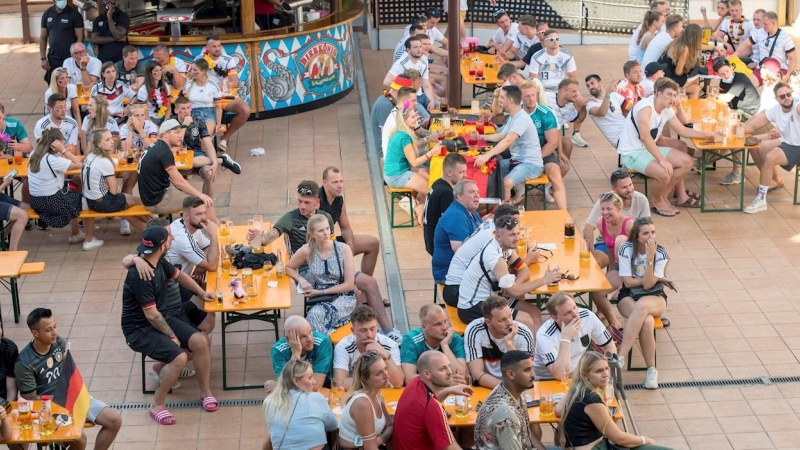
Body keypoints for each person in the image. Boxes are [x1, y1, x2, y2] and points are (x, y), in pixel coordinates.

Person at [252, 181, 398, 335]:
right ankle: (363, 328)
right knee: (353, 290)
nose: (302, 206)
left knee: (370, 282)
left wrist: (346, 255)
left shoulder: (325, 217)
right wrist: (257, 238)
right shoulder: (290, 219)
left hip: (330, 263)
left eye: (307, 203)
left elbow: (332, 246)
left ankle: (389, 331)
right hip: (306, 269)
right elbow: (267, 239)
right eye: (300, 201)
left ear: (316, 203)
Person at [121, 226, 218, 425]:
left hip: (162, 316)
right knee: (179, 356)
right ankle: (157, 405)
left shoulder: (158, 261)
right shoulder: (141, 275)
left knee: (201, 341)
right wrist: (172, 336)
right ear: (162, 245)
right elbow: (151, 314)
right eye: (169, 239)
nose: (172, 239)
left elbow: (180, 276)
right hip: (139, 329)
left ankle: (205, 392)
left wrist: (201, 293)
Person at [16, 308, 122, 448]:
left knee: (114, 420)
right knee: (79, 438)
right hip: (49, 407)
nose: (55, 333)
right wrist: (58, 399)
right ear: (35, 333)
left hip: (72, 395)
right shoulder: (25, 362)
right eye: (48, 330)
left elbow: (65, 363)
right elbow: (30, 399)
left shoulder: (58, 342)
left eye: (55, 326)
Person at [617, 78, 713, 216]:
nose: (672, 98)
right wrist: (661, 159)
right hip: (632, 152)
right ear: (657, 93)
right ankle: (656, 200)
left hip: (648, 148)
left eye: (674, 95)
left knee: (687, 162)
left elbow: (683, 130)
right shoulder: (646, 108)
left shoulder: (667, 110)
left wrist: (708, 135)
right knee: (664, 171)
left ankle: (663, 195)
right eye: (669, 94)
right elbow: (645, 137)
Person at [555, 351, 672, 450]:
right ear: (584, 375)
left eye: (606, 369)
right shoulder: (591, 399)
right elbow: (619, 438)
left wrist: (575, 383)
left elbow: (559, 410)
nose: (605, 374)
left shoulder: (577, 390)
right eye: (599, 371)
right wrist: (644, 439)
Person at [457, 215, 555, 331]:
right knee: (526, 320)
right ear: (498, 236)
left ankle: (537, 348)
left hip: (492, 298)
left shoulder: (507, 247)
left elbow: (524, 271)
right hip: (473, 306)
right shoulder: (495, 257)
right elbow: (514, 291)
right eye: (512, 235)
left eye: (517, 233)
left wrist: (514, 285)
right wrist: (544, 280)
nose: (517, 238)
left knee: (534, 312)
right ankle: (524, 348)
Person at [615, 216, 668, 389]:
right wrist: (657, 278)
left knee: (643, 306)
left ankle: (620, 358)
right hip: (629, 295)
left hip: (655, 297)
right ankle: (652, 370)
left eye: (653, 232)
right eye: (645, 233)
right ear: (636, 236)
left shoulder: (661, 254)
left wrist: (650, 258)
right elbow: (628, 283)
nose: (650, 237)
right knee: (646, 321)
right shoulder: (626, 249)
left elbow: (648, 285)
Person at [286, 214, 358, 335]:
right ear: (312, 234)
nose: (326, 233)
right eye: (321, 230)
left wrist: (321, 292)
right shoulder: (307, 250)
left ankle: (321, 346)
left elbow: (349, 284)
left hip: (343, 296)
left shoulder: (343, 249)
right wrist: (302, 280)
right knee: (316, 316)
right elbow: (288, 267)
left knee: (315, 316)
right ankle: (325, 346)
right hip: (319, 297)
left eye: (327, 228)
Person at [443, 205, 526, 307]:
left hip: (462, 284)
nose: (515, 225)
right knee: (516, 296)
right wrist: (528, 259)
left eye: (517, 221)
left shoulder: (491, 224)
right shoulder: (493, 236)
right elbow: (508, 267)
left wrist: (514, 284)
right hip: (458, 289)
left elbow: (515, 263)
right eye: (511, 221)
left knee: (517, 294)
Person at [473, 85, 544, 204]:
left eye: (502, 97)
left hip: (531, 164)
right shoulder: (514, 116)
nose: (500, 100)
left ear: (510, 100)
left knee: (507, 182)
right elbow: (501, 136)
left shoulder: (521, 119)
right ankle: (494, 204)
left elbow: (507, 141)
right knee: (491, 169)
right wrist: (481, 137)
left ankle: (507, 214)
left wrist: (486, 156)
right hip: (517, 161)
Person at [393, 350, 472, 450]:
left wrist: (450, 390)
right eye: (442, 369)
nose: (450, 372)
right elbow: (450, 448)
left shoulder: (414, 383)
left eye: (448, 366)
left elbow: (427, 404)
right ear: (427, 374)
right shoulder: (432, 407)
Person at [137, 119, 215, 219]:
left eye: (180, 132)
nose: (180, 135)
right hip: (158, 202)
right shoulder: (164, 152)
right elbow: (179, 182)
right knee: (205, 203)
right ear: (166, 134)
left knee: (190, 195)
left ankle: (192, 230)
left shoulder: (155, 146)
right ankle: (217, 232)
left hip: (153, 197)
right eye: (176, 132)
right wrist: (200, 195)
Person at [474, 351, 553, 450]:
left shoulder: (512, 391)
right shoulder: (506, 416)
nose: (533, 374)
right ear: (511, 374)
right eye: (527, 370)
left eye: (532, 368)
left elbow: (526, 433)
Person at [742, 82, 800, 214]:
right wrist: (738, 127)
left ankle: (762, 197)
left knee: (769, 156)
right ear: (777, 99)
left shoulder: (797, 104)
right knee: (764, 153)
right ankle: (762, 198)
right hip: (789, 144)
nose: (787, 98)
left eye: (788, 94)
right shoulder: (775, 110)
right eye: (782, 96)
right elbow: (752, 127)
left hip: (797, 146)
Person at [533, 293, 617, 381]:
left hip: (578, 374)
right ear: (555, 318)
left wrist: (608, 376)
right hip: (548, 380)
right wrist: (566, 338)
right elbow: (560, 375)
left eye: (574, 307)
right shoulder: (545, 335)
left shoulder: (587, 316)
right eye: (568, 313)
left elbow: (609, 346)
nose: (576, 314)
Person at [82, 128, 146, 236]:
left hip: (90, 201)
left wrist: (105, 184)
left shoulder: (89, 156)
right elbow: (114, 191)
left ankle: (154, 227)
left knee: (129, 211)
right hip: (104, 202)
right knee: (140, 202)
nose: (112, 141)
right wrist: (110, 185)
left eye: (111, 138)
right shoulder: (104, 161)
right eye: (107, 140)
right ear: (99, 144)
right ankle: (157, 229)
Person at [173, 97, 241, 198]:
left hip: (197, 154)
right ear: (176, 110)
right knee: (190, 161)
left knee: (209, 174)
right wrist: (185, 126)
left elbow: (208, 144)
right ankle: (222, 160)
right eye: (182, 109)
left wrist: (213, 163)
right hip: (177, 155)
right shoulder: (170, 123)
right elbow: (177, 144)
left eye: (188, 108)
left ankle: (207, 205)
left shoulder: (198, 121)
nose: (186, 111)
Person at [263, 359, 338, 449]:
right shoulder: (316, 398)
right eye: (310, 377)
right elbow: (333, 426)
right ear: (296, 381)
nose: (314, 382)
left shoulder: (270, 401)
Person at [320, 166, 382, 277]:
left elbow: (345, 228)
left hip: (333, 241)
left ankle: (365, 282)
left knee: (373, 243)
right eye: (335, 182)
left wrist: (350, 243)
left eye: (341, 181)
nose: (340, 186)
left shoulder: (339, 200)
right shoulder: (316, 201)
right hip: (320, 247)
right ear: (325, 183)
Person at [583, 169, 651, 268]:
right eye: (624, 187)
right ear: (614, 189)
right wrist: (591, 254)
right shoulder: (606, 201)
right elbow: (588, 228)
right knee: (594, 266)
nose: (630, 189)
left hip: (631, 244)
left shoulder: (641, 200)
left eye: (630, 184)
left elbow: (647, 230)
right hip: (606, 244)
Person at [27, 128, 85, 243]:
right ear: (55, 144)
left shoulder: (33, 154)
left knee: (71, 193)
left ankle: (76, 232)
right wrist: (63, 150)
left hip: (35, 200)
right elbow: (79, 164)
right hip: (50, 202)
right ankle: (76, 233)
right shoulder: (52, 159)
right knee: (79, 199)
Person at [464, 296, 536, 389]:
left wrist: (509, 343)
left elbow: (526, 372)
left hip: (516, 388)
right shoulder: (475, 330)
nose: (509, 322)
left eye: (510, 316)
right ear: (488, 322)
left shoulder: (523, 333)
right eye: (502, 320)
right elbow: (477, 374)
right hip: (487, 387)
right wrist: (506, 388)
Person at [712, 56, 761, 185]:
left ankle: (736, 173)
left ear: (731, 67)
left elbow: (726, 98)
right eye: (722, 73)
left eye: (727, 71)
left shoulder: (740, 79)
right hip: (735, 111)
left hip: (748, 112)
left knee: (731, 131)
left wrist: (713, 95)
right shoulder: (724, 81)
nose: (726, 75)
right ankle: (708, 156)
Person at [519, 79, 567, 208]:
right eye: (527, 96)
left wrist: (535, 158)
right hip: (520, 150)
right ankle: (513, 197)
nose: (531, 99)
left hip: (542, 151)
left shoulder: (546, 113)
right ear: (521, 98)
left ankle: (564, 213)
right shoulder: (516, 112)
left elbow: (552, 144)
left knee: (556, 174)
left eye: (533, 95)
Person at [383, 105, 436, 222]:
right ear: (405, 121)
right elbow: (414, 162)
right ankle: (421, 208)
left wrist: (429, 139)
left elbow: (413, 147)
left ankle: (414, 201)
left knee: (430, 176)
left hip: (397, 171)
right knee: (431, 190)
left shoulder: (400, 132)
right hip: (397, 175)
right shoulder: (404, 137)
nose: (416, 118)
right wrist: (432, 152)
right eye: (413, 117)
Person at [198, 35, 252, 151]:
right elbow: (194, 79)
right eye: (214, 46)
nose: (217, 49)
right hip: (204, 96)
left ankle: (225, 137)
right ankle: (203, 141)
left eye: (219, 46)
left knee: (245, 111)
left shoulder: (228, 59)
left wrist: (217, 88)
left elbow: (234, 82)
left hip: (223, 95)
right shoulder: (199, 60)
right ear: (207, 47)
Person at [166, 195, 221, 306]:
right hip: (171, 288)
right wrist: (214, 235)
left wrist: (201, 265)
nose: (203, 218)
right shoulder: (183, 239)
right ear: (186, 216)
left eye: (204, 213)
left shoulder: (190, 225)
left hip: (183, 279)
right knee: (208, 309)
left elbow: (207, 246)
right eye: (198, 214)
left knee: (216, 289)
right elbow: (212, 266)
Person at [333, 305, 404, 388]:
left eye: (372, 329)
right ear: (353, 331)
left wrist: (385, 355)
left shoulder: (389, 345)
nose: (369, 335)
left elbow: (398, 383)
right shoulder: (343, 347)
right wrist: (375, 380)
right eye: (363, 330)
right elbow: (340, 383)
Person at [338, 352, 394, 450]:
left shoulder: (378, 396)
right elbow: (370, 448)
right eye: (378, 373)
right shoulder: (362, 403)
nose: (386, 376)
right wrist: (378, 440)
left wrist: (378, 440)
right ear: (364, 378)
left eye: (385, 369)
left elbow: (390, 426)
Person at [431, 179, 481, 283]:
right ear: (460, 196)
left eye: (478, 192)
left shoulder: (471, 212)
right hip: (450, 274)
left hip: (463, 269)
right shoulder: (457, 216)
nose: (477, 195)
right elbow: (460, 252)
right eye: (471, 192)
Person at [401, 304, 467, 381]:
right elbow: (409, 378)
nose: (445, 328)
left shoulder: (454, 339)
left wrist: (445, 346)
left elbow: (461, 375)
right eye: (438, 324)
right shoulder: (411, 340)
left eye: (445, 321)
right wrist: (442, 380)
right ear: (424, 327)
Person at [267, 316, 332, 391]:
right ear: (289, 339)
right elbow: (284, 381)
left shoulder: (322, 343)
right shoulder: (278, 351)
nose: (310, 339)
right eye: (303, 337)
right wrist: (295, 354)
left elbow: (315, 386)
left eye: (310, 332)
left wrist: (280, 388)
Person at [734, 11, 796, 87]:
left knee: (777, 92)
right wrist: (735, 54)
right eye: (763, 23)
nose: (763, 26)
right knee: (746, 85)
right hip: (762, 68)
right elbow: (746, 44)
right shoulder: (760, 32)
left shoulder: (785, 37)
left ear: (773, 23)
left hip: (780, 69)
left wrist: (787, 75)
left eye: (765, 24)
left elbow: (793, 59)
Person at [423, 152, 467, 255]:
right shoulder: (447, 194)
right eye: (461, 172)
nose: (465, 175)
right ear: (449, 172)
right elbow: (451, 226)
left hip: (429, 237)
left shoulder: (438, 182)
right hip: (438, 244)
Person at [384, 36, 436, 111]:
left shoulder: (424, 59)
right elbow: (386, 82)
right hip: (410, 99)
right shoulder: (401, 64)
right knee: (426, 117)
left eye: (420, 46)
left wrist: (432, 100)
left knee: (440, 108)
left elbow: (426, 84)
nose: (419, 49)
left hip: (422, 95)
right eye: (415, 47)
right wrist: (406, 90)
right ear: (408, 50)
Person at [40, 0, 84, 84]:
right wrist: (43, 58)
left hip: (69, 58)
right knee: (53, 84)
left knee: (69, 84)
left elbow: (80, 37)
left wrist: (76, 56)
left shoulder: (74, 15)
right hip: (53, 58)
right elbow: (43, 37)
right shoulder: (47, 14)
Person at [658, 23, 704, 98]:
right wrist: (687, 72)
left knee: (695, 88)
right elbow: (678, 72)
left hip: (663, 74)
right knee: (696, 77)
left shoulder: (678, 42)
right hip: (667, 79)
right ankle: (679, 93)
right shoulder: (685, 49)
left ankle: (689, 105)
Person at [545, 79, 583, 163]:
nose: (576, 94)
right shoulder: (546, 98)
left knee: (568, 144)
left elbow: (579, 119)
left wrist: (583, 106)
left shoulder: (570, 106)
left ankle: (561, 166)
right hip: (542, 134)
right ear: (564, 91)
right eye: (574, 91)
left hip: (554, 135)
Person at [585, 74, 627, 150]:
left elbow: (632, 108)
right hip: (620, 139)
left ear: (600, 83)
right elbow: (603, 112)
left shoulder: (615, 95)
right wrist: (607, 94)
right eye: (588, 86)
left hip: (630, 130)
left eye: (592, 83)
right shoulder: (590, 104)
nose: (590, 87)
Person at [183, 58, 222, 137]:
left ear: (203, 71)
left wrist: (219, 123)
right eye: (192, 69)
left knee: (205, 136)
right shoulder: (188, 85)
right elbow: (184, 104)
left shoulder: (213, 85)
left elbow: (218, 107)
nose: (192, 72)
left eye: (195, 70)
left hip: (209, 114)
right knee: (193, 137)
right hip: (192, 114)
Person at [137, 60, 173, 126]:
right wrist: (154, 127)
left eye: (160, 70)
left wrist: (165, 123)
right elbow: (144, 114)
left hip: (164, 118)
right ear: (150, 73)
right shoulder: (143, 90)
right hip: (150, 120)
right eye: (156, 71)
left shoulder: (166, 86)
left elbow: (168, 108)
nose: (159, 73)